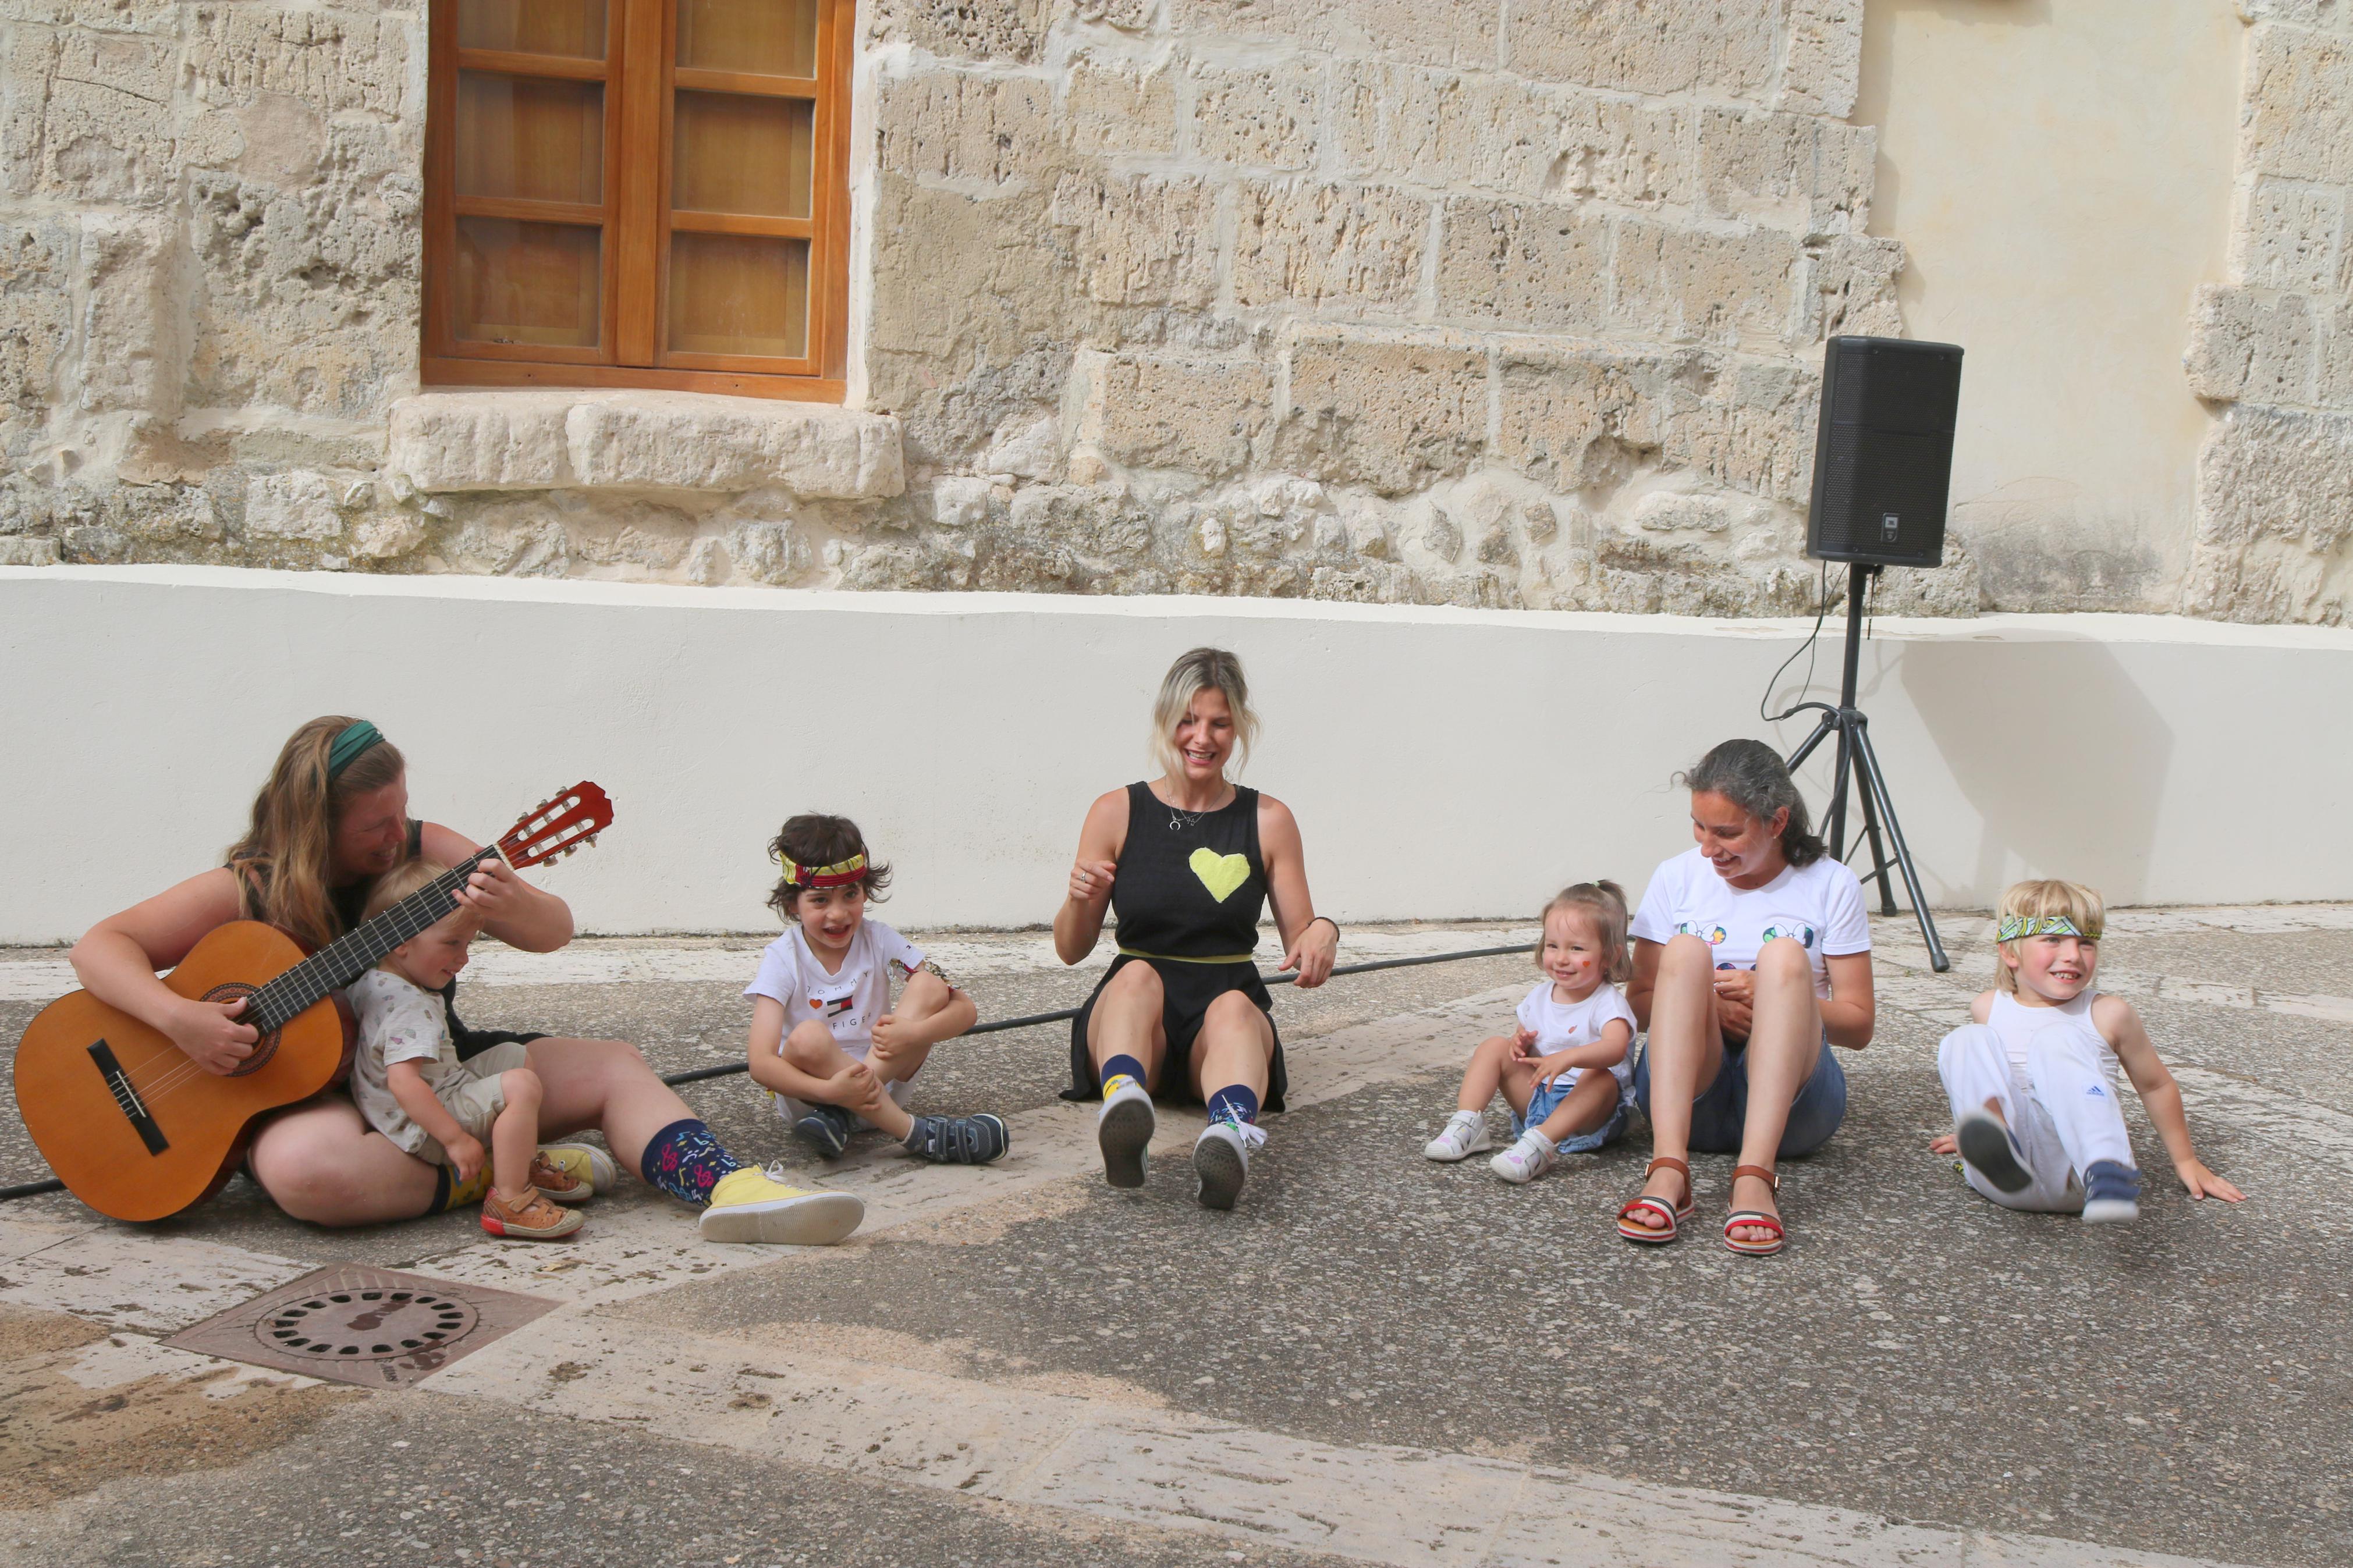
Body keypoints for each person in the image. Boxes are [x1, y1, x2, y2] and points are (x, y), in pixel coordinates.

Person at [66, 715, 860, 1245]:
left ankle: (732, 1188)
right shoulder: (249, 888)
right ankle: (506, 1169)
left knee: (616, 1062)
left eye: (399, 810)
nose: (394, 833)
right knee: (299, 1170)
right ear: (316, 821)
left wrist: (511, 897)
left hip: (437, 1072)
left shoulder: (423, 851)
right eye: (375, 821)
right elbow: (99, 947)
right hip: (311, 1109)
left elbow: (552, 931)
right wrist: (181, 1021)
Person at [1055, 648, 1339, 1210]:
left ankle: (1226, 1138)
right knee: (1135, 974)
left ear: (1240, 729)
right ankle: (1125, 1104)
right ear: (1165, 721)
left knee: (1235, 1006)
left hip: (1222, 1015)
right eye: (1188, 719)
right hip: (1135, 1021)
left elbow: (1302, 933)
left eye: (1219, 723)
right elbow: (1070, 948)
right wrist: (1077, 898)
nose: (1201, 737)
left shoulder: (1268, 820)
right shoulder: (1116, 810)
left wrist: (1323, 932)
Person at [1618, 739, 1875, 1256]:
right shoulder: (1676, 875)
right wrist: (1707, 1005)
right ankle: (1669, 1169)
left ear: (1777, 822)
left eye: (1727, 832)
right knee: (1687, 951)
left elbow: (1858, 1025)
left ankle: (1755, 1175)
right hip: (1690, 1095)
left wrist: (1783, 996)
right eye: (1699, 826)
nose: (1709, 848)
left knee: (1783, 957)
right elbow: (1639, 1002)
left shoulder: (1831, 883)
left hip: (1795, 1111)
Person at [1930, 879, 2245, 1221]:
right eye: (2053, 939)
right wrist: (1981, 1122)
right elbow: (1986, 1076)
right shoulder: (1988, 1007)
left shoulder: (2108, 1013)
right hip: (2003, 1182)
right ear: (2009, 952)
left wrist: (2186, 1161)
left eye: (2086, 943)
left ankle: (2108, 1167)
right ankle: (1993, 1146)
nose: (2072, 956)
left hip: (2083, 1181)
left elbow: (2156, 1085)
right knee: (1963, 1040)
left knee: (2057, 1039)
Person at [743, 813, 1006, 1164]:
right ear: (793, 903)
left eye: (850, 894)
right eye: (820, 900)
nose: (838, 914)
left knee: (930, 985)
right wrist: (830, 1091)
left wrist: (914, 1033)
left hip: (884, 1080)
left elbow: (964, 1010)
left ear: (865, 891)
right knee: (807, 1037)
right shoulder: (783, 957)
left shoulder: (878, 938)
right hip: (812, 1101)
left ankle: (843, 1115)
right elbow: (760, 1063)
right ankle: (917, 1134)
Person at [347, 861, 589, 1240]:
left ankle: (517, 1159)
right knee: (521, 1085)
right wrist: (455, 1140)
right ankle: (511, 1200)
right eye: (451, 943)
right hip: (424, 1126)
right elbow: (404, 1082)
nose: (463, 958)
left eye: (467, 943)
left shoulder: (375, 979)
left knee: (514, 1055)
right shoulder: (409, 1008)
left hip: (429, 1094)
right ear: (400, 940)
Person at [1423, 882, 1638, 1184]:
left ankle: (1540, 1145)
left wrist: (1570, 1058)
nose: (1561, 958)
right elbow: (1522, 1041)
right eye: (1553, 945)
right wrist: (1519, 1045)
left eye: (1576, 948)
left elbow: (1615, 1049)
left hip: (1589, 1114)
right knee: (1494, 1047)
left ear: (1610, 956)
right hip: (1540, 1100)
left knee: (1601, 1078)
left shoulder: (1607, 1003)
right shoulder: (1540, 996)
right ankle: (1467, 1123)